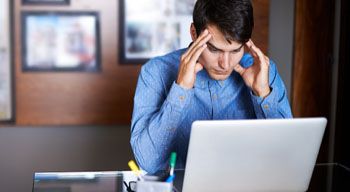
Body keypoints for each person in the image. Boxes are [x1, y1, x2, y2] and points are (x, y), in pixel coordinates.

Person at [130, 0, 293, 174]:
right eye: (214, 50)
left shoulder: (263, 71)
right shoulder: (155, 72)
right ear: (194, 33)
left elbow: (288, 155)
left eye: (236, 51)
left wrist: (263, 94)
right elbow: (148, 162)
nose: (225, 64)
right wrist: (181, 90)